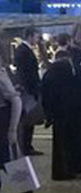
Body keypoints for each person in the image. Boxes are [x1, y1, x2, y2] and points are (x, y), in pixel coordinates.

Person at [41, 50, 81, 180]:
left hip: (59, 115)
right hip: (80, 114)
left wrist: (48, 115)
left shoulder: (50, 73)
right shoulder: (79, 71)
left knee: (60, 145)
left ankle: (61, 171)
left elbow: (45, 96)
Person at [0, 56, 41, 193]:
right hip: (5, 123)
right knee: (15, 165)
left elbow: (15, 100)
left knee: (16, 166)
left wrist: (12, 129)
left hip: (3, 124)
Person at [14, 28, 43, 156]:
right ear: (30, 36)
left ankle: (27, 145)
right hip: (28, 89)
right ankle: (26, 146)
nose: (37, 40)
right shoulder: (24, 51)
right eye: (36, 37)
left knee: (29, 118)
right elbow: (26, 73)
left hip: (29, 88)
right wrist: (32, 88)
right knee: (28, 118)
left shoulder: (23, 50)